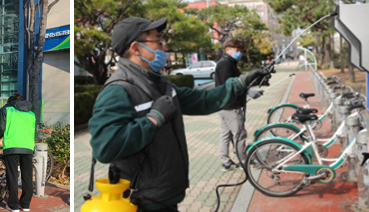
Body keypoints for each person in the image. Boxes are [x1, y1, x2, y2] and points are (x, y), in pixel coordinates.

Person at [88, 17, 270, 211]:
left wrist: (241, 82)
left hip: (165, 196)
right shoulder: (118, 90)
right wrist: (153, 119)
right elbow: (105, 147)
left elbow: (202, 100)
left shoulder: (160, 84)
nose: (164, 47)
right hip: (142, 202)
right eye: (158, 41)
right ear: (136, 49)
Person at [0, 93, 36, 212]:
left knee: (12, 175)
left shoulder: (6, 109)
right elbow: (34, 131)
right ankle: (25, 205)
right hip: (28, 147)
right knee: (27, 176)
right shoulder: (31, 113)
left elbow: (0, 127)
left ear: (10, 101)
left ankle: (13, 205)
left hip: (12, 146)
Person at [213, 39, 247, 171]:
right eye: (237, 50)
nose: (239, 53)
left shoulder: (228, 62)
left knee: (225, 134)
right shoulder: (226, 64)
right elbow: (229, 85)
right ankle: (243, 161)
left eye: (241, 51)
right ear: (227, 49)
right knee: (240, 134)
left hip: (224, 105)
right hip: (230, 106)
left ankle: (226, 162)